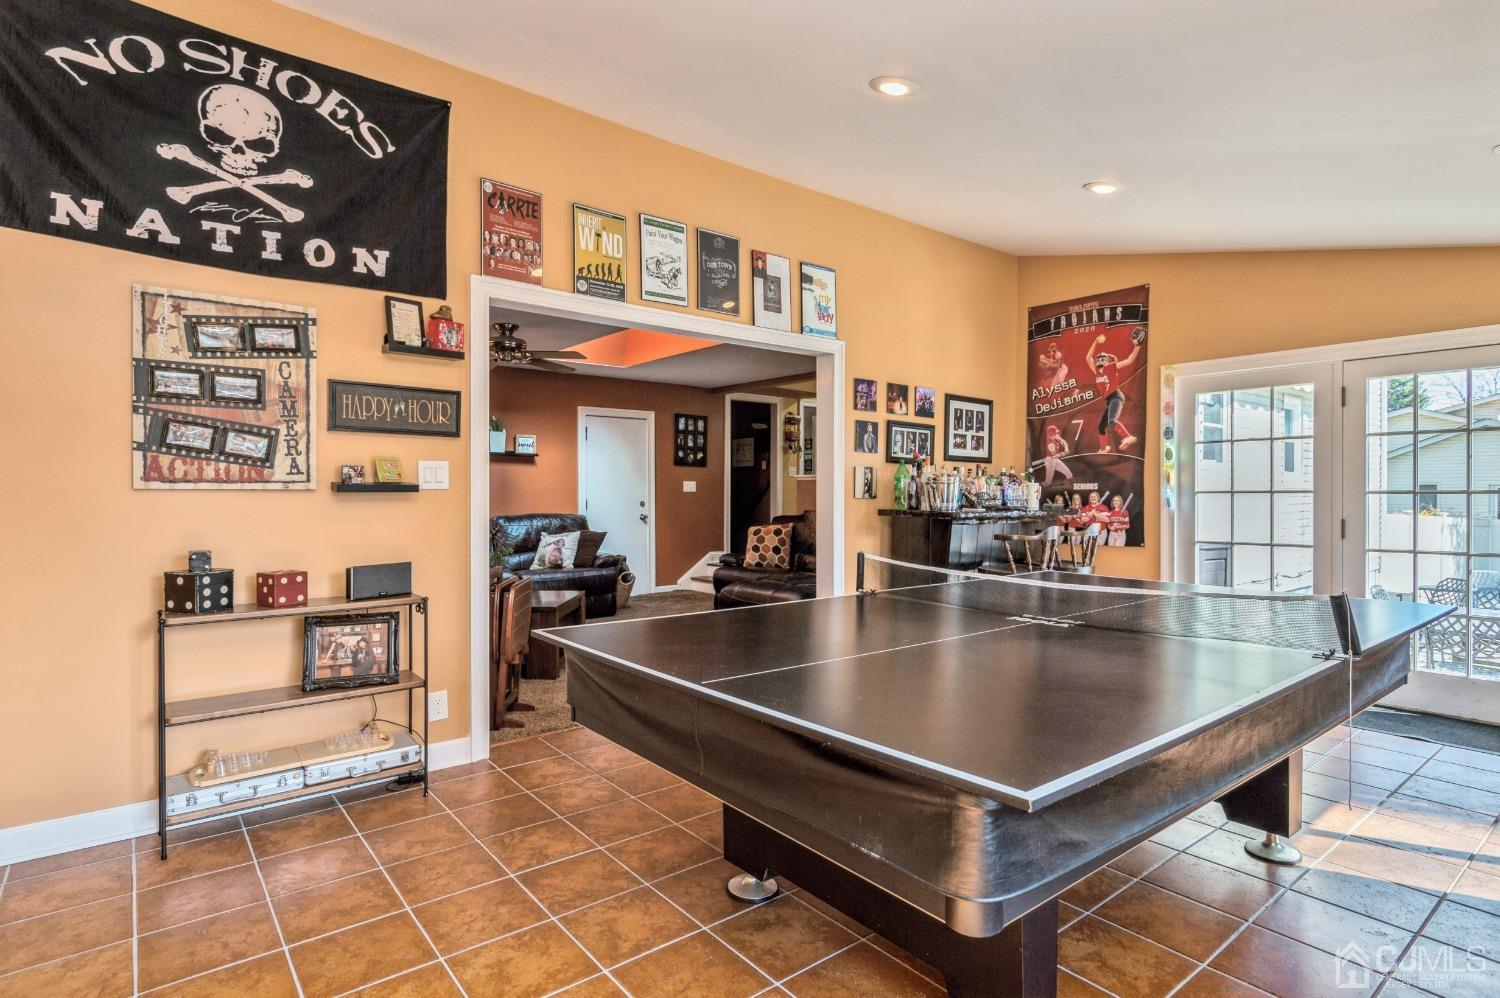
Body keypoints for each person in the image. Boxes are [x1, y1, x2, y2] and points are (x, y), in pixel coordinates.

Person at [1087, 326, 1144, 452]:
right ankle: (1104, 448)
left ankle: (1128, 437)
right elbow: (1088, 357)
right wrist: (1096, 341)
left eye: (1103, 359)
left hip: (1116, 397)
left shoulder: (1111, 368)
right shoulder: (1096, 372)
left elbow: (1129, 360)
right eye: (1099, 358)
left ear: (1107, 361)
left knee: (1112, 421)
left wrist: (1138, 345)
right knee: (1101, 427)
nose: (1100, 360)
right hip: (1109, 401)